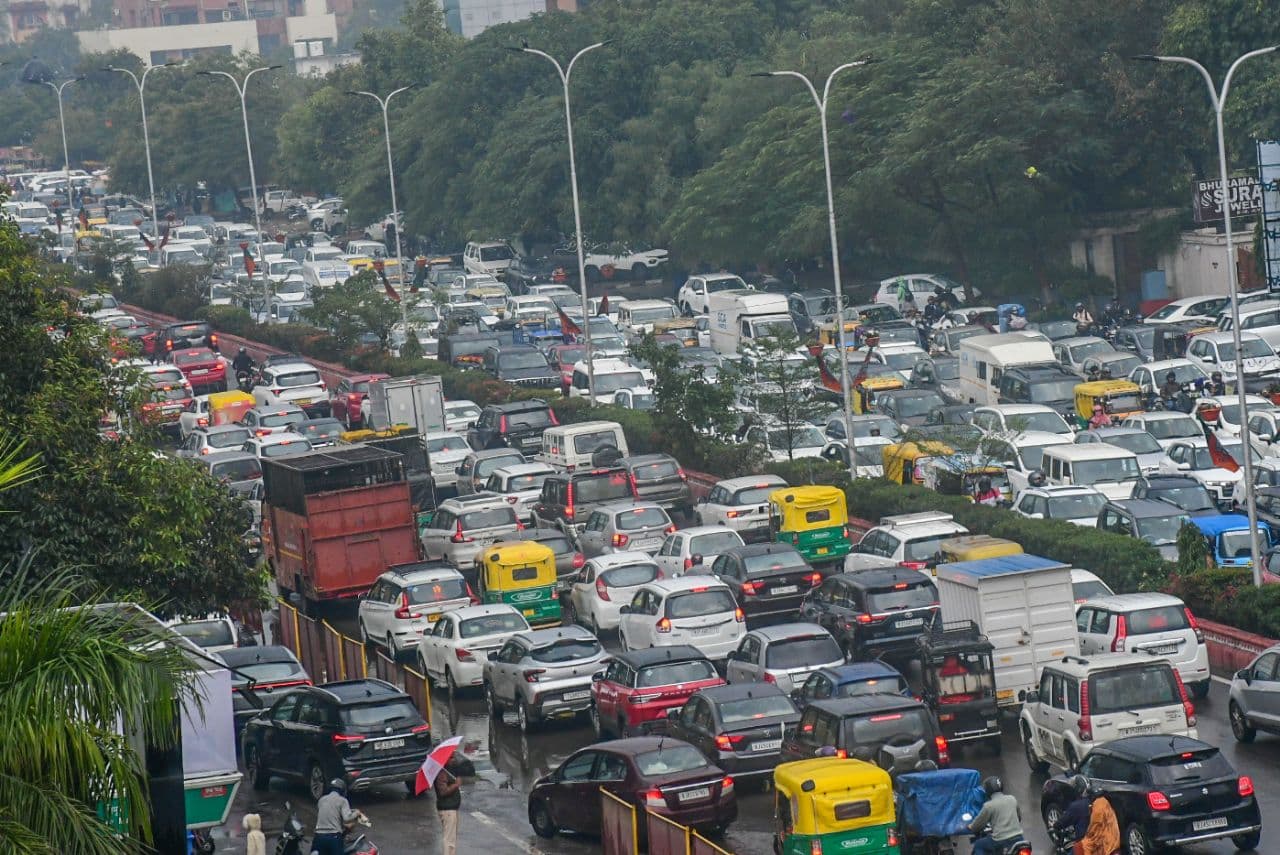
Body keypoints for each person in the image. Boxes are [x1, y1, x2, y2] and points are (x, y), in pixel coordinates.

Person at [969, 776, 1024, 855]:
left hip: (1001, 841)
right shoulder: (1012, 799)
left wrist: (970, 826)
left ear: (987, 791)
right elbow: (1019, 818)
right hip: (1019, 838)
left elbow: (976, 826)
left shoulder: (988, 806)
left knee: (979, 844)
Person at [313, 779, 362, 855]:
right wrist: (357, 813)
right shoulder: (342, 800)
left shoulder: (321, 800)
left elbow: (327, 814)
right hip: (333, 838)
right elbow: (347, 818)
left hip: (318, 837)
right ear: (342, 790)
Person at [1077, 781, 1121, 855]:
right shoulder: (1104, 801)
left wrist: (1085, 837)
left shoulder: (1098, 806)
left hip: (1107, 845)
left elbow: (1093, 828)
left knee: (1079, 847)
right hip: (1113, 840)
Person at [1051, 775, 1092, 849]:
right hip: (1100, 841)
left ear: (1077, 789)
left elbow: (1063, 821)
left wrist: (1055, 826)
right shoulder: (1095, 801)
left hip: (1085, 843)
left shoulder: (1077, 806)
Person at [435, 765, 461, 855]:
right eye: (451, 757)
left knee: (452, 839)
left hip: (451, 808)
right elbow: (443, 791)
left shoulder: (447, 770)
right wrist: (456, 785)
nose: (454, 760)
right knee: (449, 839)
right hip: (448, 810)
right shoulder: (441, 772)